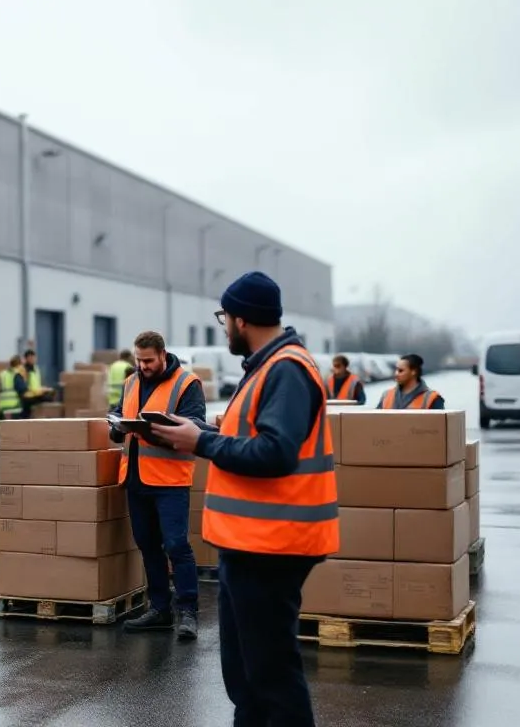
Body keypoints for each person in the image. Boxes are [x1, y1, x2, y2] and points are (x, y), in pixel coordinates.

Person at [150, 271, 338, 727]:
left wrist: (202, 443)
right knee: (246, 681)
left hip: (272, 547)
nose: (224, 326)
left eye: (223, 317)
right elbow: (249, 438)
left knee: (272, 680)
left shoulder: (287, 370)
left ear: (240, 320)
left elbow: (276, 452)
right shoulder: (266, 368)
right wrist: (200, 433)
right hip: (248, 545)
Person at [109, 331, 205, 640]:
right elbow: (119, 411)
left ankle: (188, 612)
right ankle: (160, 610)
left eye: (148, 360)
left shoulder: (187, 384)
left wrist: (151, 430)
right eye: (138, 359)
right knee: (147, 545)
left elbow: (196, 426)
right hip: (136, 477)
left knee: (176, 545)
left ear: (163, 355)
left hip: (169, 480)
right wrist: (115, 424)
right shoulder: (130, 382)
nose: (143, 365)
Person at [379, 354, 445, 409]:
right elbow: (375, 421)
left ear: (413, 371)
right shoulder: (386, 396)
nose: (396, 373)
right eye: (396, 370)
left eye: (400, 370)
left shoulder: (432, 398)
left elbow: (439, 423)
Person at [0, 355, 28, 419]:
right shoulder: (17, 374)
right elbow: (22, 389)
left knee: (4, 428)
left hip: (2, 407)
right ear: (19, 364)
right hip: (14, 407)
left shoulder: (2, 374)